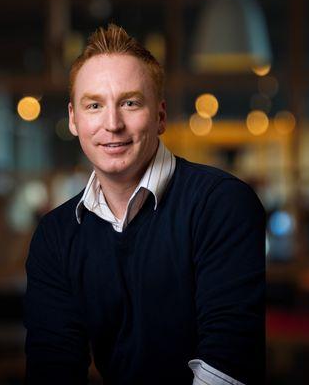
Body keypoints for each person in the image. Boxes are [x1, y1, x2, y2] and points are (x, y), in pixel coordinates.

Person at [24, 24, 265, 384]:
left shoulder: (221, 204)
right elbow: (52, 371)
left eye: (130, 103)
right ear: (74, 119)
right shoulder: (56, 235)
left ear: (161, 116)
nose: (112, 124)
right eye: (94, 105)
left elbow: (228, 365)